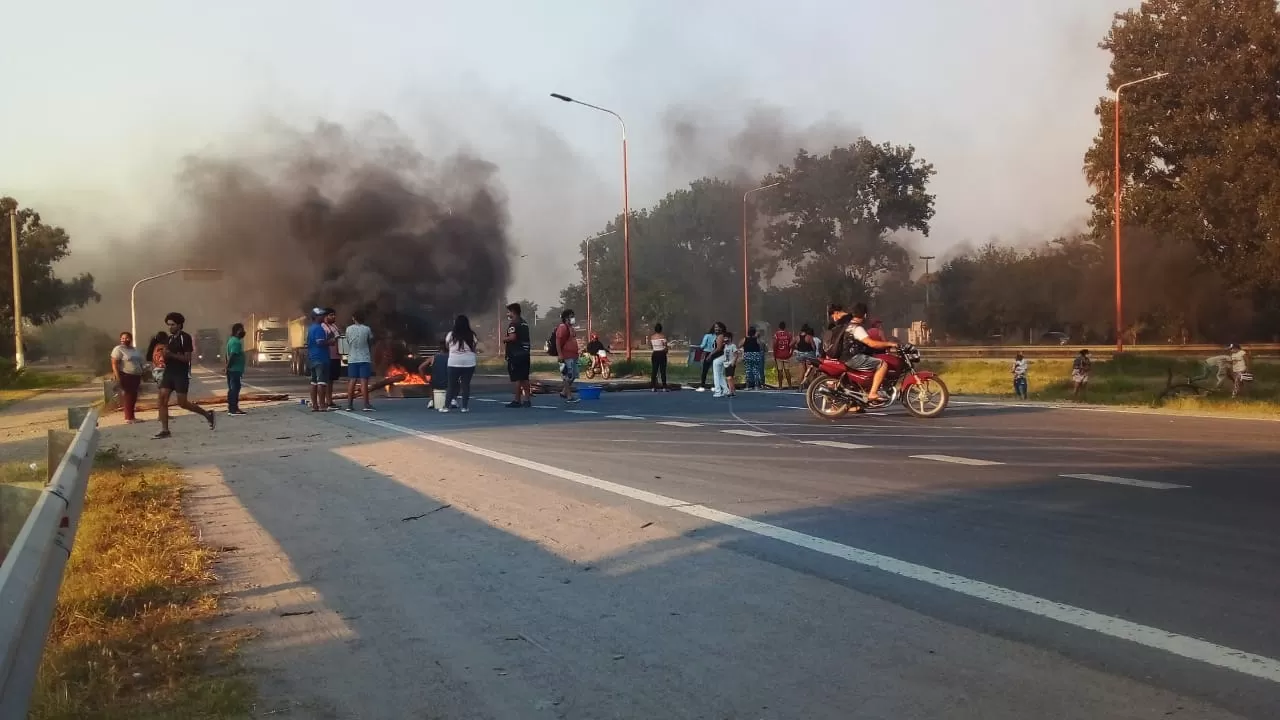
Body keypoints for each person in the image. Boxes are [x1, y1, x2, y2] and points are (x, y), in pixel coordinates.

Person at [153, 312, 216, 439]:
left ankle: (207, 414)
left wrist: (171, 355)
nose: (170, 327)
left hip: (180, 374)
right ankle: (165, 430)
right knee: (162, 400)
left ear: (180, 325)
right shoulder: (169, 339)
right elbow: (166, 356)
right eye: (169, 325)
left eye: (173, 325)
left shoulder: (185, 338)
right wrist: (164, 355)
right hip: (169, 372)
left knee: (182, 403)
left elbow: (187, 358)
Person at [823, 303, 898, 408]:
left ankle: (858, 401)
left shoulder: (847, 325)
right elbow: (872, 343)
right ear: (865, 315)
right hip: (853, 358)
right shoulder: (857, 328)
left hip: (844, 357)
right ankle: (873, 393)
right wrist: (890, 344)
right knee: (882, 364)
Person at [440, 314, 478, 413]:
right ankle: (464, 407)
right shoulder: (472, 335)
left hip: (454, 362)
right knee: (465, 385)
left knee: (451, 385)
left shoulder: (451, 335)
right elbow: (474, 348)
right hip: (469, 362)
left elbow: (447, 347)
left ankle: (446, 407)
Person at [343, 310, 375, 412]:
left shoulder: (348, 329)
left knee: (352, 381)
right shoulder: (367, 329)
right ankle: (366, 404)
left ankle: (349, 405)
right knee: (364, 381)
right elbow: (370, 341)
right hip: (364, 358)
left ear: (353, 318)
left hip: (352, 358)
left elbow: (347, 341)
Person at [111, 331, 145, 424]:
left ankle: (132, 417)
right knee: (128, 396)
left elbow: (140, 362)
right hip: (126, 375)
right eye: (122, 338)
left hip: (136, 375)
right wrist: (117, 377)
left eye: (126, 338)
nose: (124, 340)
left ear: (130, 339)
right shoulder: (118, 349)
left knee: (134, 396)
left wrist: (142, 373)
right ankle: (128, 418)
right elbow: (114, 364)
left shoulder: (134, 350)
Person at [504, 303, 532, 408]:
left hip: (516, 355)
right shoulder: (524, 323)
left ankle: (517, 400)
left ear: (513, 312)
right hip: (525, 354)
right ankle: (527, 400)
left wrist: (504, 339)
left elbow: (512, 337)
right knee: (525, 378)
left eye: (509, 312)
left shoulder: (513, 324)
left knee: (517, 378)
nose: (508, 314)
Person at [307, 308, 336, 411]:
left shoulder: (311, 328)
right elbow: (320, 342)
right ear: (315, 317)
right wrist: (331, 341)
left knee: (314, 382)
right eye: (321, 315)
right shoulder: (319, 328)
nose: (323, 317)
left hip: (312, 358)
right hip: (321, 358)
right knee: (322, 383)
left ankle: (315, 406)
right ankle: (323, 406)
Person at [556, 308, 580, 403]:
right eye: (571, 317)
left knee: (573, 375)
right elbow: (558, 342)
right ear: (566, 318)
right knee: (566, 376)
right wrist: (560, 355)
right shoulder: (562, 327)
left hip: (573, 355)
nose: (573, 318)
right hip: (565, 356)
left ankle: (564, 392)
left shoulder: (572, 328)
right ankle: (569, 396)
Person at [225, 323, 248, 416]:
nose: (243, 332)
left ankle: (232, 408)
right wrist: (227, 367)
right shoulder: (236, 342)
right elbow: (232, 355)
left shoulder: (231, 341)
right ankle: (233, 409)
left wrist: (226, 367)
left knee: (232, 389)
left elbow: (226, 355)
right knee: (235, 389)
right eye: (242, 330)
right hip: (235, 370)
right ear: (238, 331)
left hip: (232, 370)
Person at [696, 322, 724, 392]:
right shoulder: (720, 336)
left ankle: (702, 386)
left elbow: (702, 345)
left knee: (705, 370)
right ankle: (715, 386)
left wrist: (700, 348)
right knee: (716, 371)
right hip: (717, 353)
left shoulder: (707, 335)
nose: (716, 329)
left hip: (708, 353)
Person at [322, 309, 342, 405]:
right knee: (327, 379)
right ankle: (327, 400)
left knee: (332, 379)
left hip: (336, 356)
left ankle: (329, 400)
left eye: (334, 315)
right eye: (331, 315)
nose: (334, 317)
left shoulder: (334, 326)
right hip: (328, 356)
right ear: (325, 316)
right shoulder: (323, 327)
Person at [713, 331, 738, 398]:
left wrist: (733, 362)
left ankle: (730, 391)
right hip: (726, 364)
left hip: (730, 364)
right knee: (730, 378)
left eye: (726, 338)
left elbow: (736, 354)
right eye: (724, 338)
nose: (724, 339)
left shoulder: (733, 346)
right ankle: (733, 391)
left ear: (729, 338)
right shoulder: (725, 346)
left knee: (729, 378)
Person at [772, 322, 795, 390]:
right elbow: (792, 344)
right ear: (785, 327)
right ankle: (790, 386)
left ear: (779, 327)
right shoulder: (789, 334)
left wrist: (774, 354)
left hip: (779, 355)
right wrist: (791, 353)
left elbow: (774, 345)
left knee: (780, 370)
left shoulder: (776, 335)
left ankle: (780, 386)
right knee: (787, 370)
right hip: (786, 355)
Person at [649, 323, 668, 391]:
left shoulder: (652, 337)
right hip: (662, 354)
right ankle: (664, 387)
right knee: (663, 371)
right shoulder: (663, 337)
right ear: (661, 329)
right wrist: (665, 351)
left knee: (654, 370)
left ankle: (653, 387)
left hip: (655, 354)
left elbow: (651, 346)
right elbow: (666, 347)